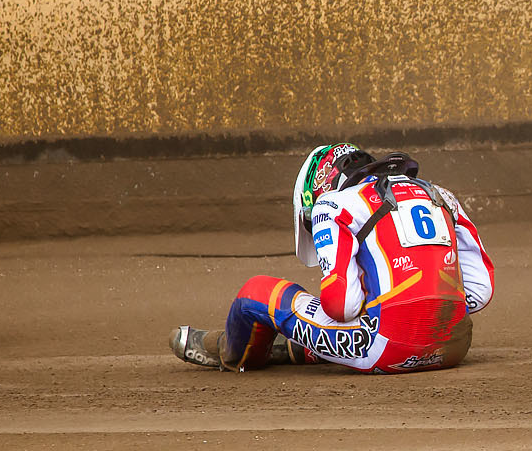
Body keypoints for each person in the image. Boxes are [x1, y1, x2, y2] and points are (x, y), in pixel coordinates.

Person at [171, 143, 493, 374]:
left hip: (385, 348)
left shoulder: (333, 205)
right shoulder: (440, 193)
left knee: (253, 293)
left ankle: (232, 353)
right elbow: (480, 292)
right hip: (453, 346)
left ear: (320, 188)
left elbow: (342, 306)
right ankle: (302, 351)